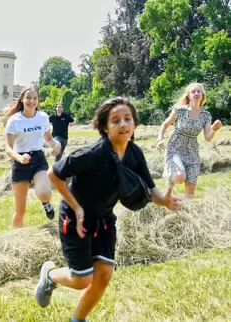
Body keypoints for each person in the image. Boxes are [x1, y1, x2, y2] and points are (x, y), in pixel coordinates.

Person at [34, 97, 181, 322]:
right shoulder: (93, 153)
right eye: (115, 121)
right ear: (104, 127)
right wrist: (77, 207)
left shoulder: (135, 154)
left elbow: (151, 190)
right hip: (75, 219)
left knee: (103, 276)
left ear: (134, 124)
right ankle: (50, 276)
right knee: (82, 279)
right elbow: (54, 174)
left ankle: (78, 319)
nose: (123, 124)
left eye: (127, 119)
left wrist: (165, 201)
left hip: (104, 219)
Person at [3, 86, 61, 228]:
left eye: (35, 98)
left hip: (38, 160)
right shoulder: (14, 120)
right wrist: (19, 158)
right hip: (20, 162)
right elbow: (8, 148)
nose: (31, 101)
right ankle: (16, 239)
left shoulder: (43, 117)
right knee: (20, 212)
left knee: (45, 193)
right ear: (22, 99)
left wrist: (56, 145)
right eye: (28, 98)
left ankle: (46, 203)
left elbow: (48, 139)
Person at [156, 83, 222, 197]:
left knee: (190, 194)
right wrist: (159, 139)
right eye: (193, 91)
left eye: (198, 91)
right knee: (179, 177)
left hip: (192, 152)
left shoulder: (206, 115)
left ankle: (184, 212)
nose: (196, 93)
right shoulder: (179, 111)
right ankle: (170, 178)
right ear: (188, 96)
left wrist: (214, 129)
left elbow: (207, 137)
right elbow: (165, 125)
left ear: (202, 95)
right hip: (175, 148)